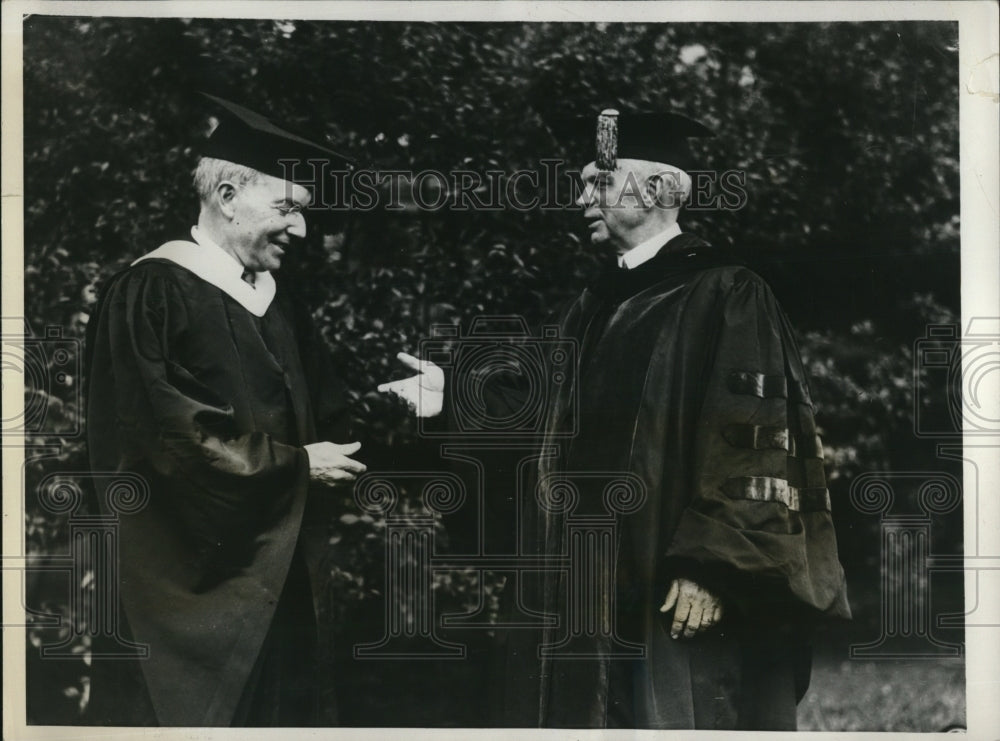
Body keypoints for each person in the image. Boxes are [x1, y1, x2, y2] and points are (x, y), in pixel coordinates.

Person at [378, 109, 851, 729]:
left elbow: (753, 448)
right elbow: (548, 432)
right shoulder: (595, 307)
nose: (580, 200)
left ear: (657, 190)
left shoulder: (726, 294)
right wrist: (455, 402)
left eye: (597, 183)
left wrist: (711, 566)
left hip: (675, 587)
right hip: (587, 594)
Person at [84, 94, 365, 726]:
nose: (301, 229)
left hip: (277, 580)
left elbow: (330, 425)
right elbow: (164, 440)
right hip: (186, 596)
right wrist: (294, 470)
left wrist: (423, 411)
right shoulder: (153, 290)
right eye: (288, 208)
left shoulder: (277, 301)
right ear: (229, 195)